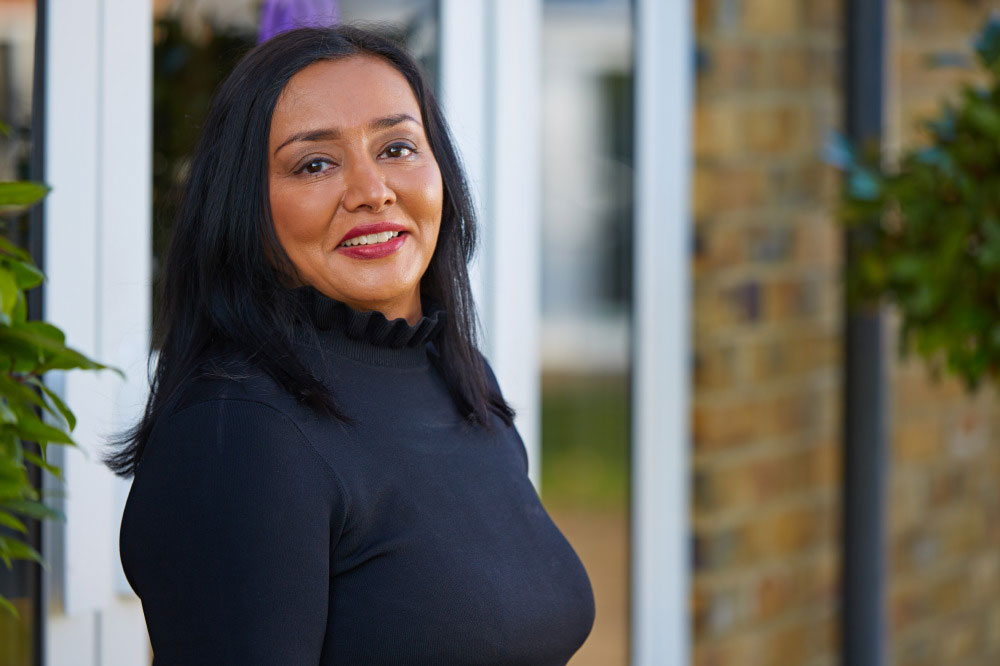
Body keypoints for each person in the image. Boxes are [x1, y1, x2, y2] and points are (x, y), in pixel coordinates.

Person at [110, 25, 595, 665]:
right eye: (315, 163)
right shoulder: (238, 433)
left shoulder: (457, 376)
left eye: (397, 148)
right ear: (243, 208)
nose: (372, 191)